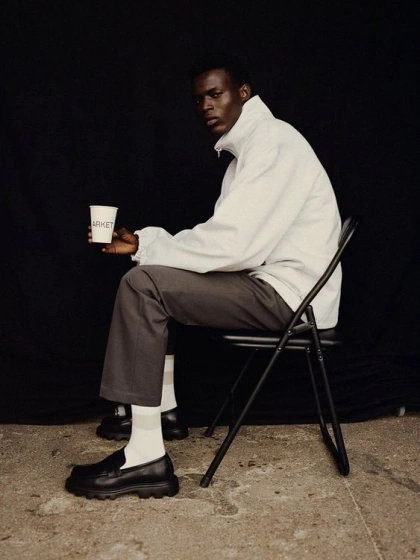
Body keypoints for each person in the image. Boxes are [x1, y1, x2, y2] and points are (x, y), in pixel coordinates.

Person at [65, 51, 342, 499]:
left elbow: (232, 245)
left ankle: (145, 456)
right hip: (274, 285)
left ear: (243, 93)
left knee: (143, 284)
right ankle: (164, 412)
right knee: (158, 274)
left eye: (216, 94)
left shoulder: (272, 144)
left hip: (290, 298)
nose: (206, 106)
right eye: (198, 99)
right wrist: (145, 246)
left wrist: (148, 247)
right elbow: (228, 243)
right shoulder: (250, 150)